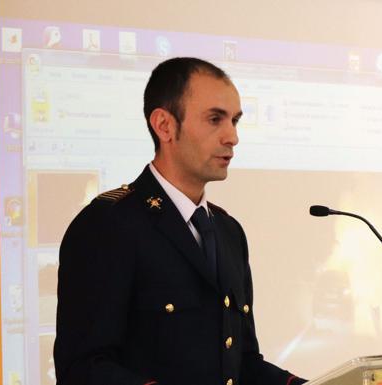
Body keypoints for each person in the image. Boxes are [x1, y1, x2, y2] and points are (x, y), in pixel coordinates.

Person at [54, 57, 307, 385]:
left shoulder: (228, 231)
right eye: (215, 119)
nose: (232, 136)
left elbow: (242, 364)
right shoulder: (109, 225)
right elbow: (83, 369)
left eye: (235, 120)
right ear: (164, 126)